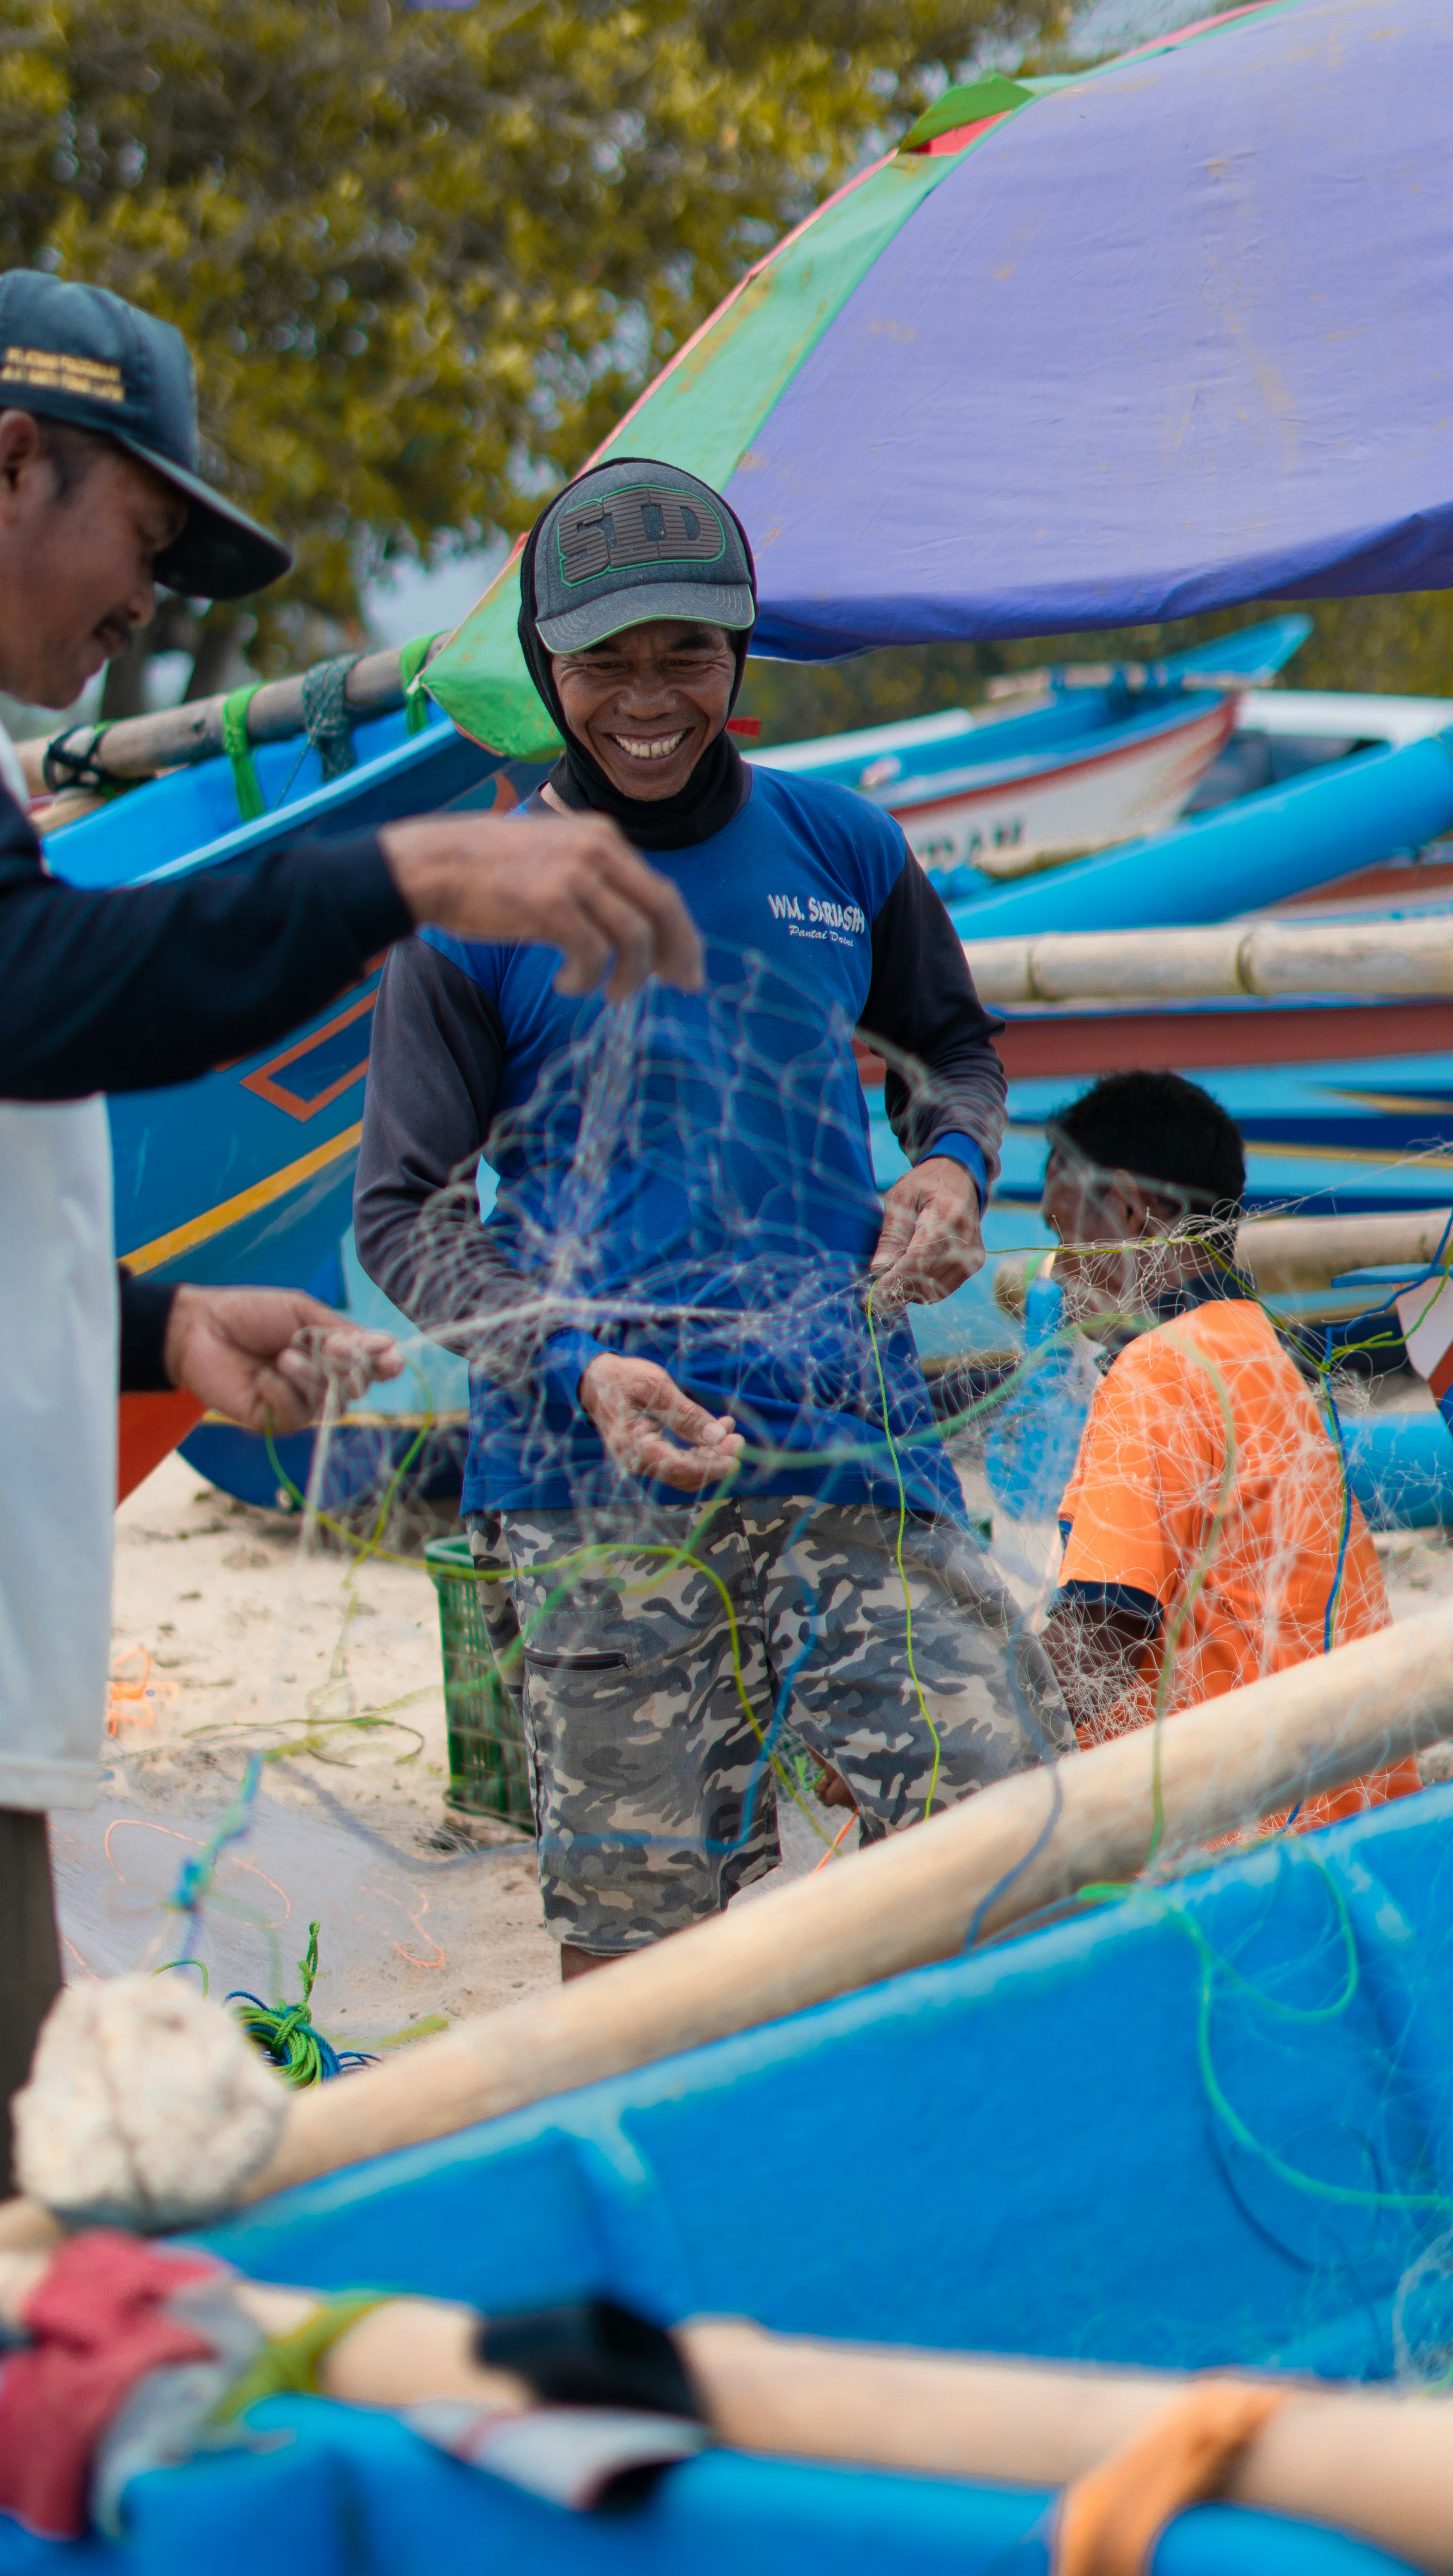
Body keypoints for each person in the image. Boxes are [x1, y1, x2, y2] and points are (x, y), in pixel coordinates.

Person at [0, 274, 703, 2233]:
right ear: (12, 457)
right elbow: (15, 989)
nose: (145, 610)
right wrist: (407, 867)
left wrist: (159, 1321)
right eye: (141, 539)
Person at [355, 456, 1067, 1981]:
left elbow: (955, 1051)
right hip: (589, 1494)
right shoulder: (471, 907)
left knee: (1002, 1841)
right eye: (605, 661)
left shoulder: (845, 851)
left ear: (740, 654)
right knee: (640, 1963)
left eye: (686, 651)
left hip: (850, 1453)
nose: (649, 694)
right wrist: (574, 1366)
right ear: (548, 671)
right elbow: (406, 1214)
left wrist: (950, 1163)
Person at [1038, 1070, 1419, 1828]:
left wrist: (941, 1746)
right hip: (1350, 1823)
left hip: (1233, 1850)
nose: (1061, 1271)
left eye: (1063, 1233)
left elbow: (1101, 1637)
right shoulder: (1268, 1352)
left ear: (1128, 1207)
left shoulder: (1157, 1370)